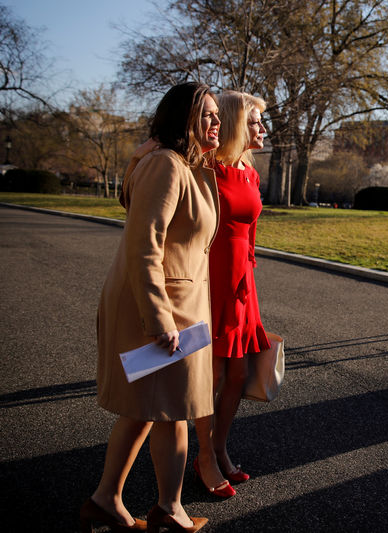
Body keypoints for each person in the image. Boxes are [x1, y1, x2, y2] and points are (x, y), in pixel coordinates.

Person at [80, 82, 220, 533]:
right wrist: (159, 318)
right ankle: (170, 509)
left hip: (179, 308)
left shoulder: (183, 163)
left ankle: (107, 499)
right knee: (174, 408)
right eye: (207, 115)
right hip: (162, 310)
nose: (216, 123)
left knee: (145, 408)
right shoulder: (166, 164)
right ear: (183, 119)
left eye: (218, 116)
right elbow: (145, 245)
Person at [192, 91, 270, 497]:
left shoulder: (251, 173)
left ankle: (220, 447)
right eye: (256, 122)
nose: (262, 129)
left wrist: (248, 275)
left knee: (238, 374)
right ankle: (204, 456)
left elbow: (251, 235)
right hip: (212, 279)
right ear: (237, 122)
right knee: (215, 373)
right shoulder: (206, 167)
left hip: (243, 282)